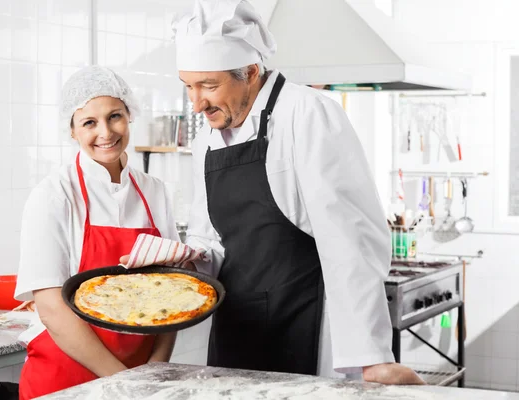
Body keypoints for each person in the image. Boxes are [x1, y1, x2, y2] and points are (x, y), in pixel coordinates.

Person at [171, 0, 424, 385]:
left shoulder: (307, 114)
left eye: (209, 85)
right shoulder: (206, 136)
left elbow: (350, 239)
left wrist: (370, 354)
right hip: (239, 325)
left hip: (304, 319)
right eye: (188, 86)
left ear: (251, 72)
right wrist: (191, 262)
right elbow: (211, 236)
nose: (197, 102)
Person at [14, 65, 179, 399]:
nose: (105, 132)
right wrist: (124, 382)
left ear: (130, 115)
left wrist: (153, 372)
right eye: (89, 122)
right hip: (65, 381)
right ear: (72, 131)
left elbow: (174, 291)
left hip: (139, 378)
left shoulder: (154, 191)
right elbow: (51, 308)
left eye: (114, 116)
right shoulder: (54, 195)